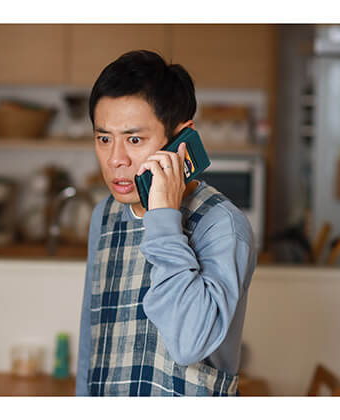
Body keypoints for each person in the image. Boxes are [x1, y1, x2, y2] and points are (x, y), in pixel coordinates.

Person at [76, 50, 257, 396]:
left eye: (134, 139)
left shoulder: (223, 226)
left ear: (180, 140)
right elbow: (92, 339)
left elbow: (189, 343)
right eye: (104, 139)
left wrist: (163, 218)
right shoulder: (105, 214)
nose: (115, 160)